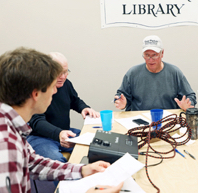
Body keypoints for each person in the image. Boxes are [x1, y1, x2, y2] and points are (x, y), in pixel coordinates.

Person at [0, 47, 123, 193]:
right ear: (36, 94)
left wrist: (82, 170)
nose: (56, 91)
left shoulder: (12, 127)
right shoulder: (6, 144)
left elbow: (33, 163)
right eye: (52, 86)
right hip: (44, 138)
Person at [27, 52, 100, 163]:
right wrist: (58, 134)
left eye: (65, 72)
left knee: (99, 145)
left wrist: (84, 108)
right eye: (58, 73)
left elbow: (74, 100)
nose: (63, 76)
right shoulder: (36, 90)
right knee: (57, 163)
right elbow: (37, 121)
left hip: (65, 132)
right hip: (41, 138)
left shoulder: (65, 84)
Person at [114, 35, 196, 111]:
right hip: (139, 119)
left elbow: (190, 96)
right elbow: (121, 95)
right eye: (147, 55)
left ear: (162, 53)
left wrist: (188, 104)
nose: (150, 59)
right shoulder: (132, 73)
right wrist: (121, 102)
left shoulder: (174, 72)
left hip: (168, 119)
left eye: (154, 55)